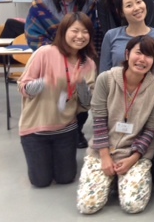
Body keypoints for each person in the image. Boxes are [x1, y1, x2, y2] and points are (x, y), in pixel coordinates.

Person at [76, 36, 154, 214]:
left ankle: (121, 182)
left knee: (133, 205)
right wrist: (105, 157)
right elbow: (99, 120)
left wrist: (133, 158)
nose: (142, 59)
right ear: (127, 54)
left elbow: (151, 130)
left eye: (149, 56)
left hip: (135, 154)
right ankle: (111, 181)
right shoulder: (106, 79)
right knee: (88, 205)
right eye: (138, 53)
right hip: (102, 150)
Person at [18, 13, 97, 187]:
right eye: (75, 30)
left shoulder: (88, 64)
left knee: (65, 178)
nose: (80, 36)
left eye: (85, 32)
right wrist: (45, 82)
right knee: (41, 181)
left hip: (66, 130)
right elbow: (24, 88)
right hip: (36, 129)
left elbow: (86, 104)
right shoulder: (45, 53)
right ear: (63, 31)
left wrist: (80, 83)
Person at [100, 0, 154, 86]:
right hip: (115, 92)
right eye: (129, 5)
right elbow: (103, 76)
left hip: (149, 93)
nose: (136, 8)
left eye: (138, 2)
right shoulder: (111, 36)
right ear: (121, 12)